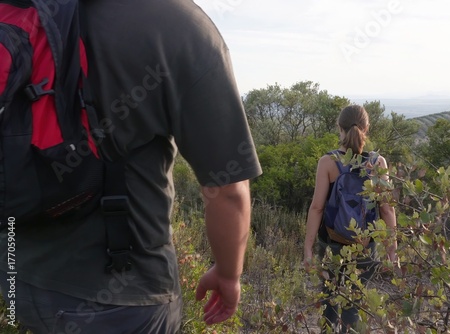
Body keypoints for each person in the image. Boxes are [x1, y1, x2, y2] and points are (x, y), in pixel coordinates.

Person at [0, 0, 262, 333]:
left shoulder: (21, 9)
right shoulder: (175, 21)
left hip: (15, 277)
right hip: (120, 301)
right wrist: (228, 273)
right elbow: (228, 190)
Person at [303, 105, 397, 333]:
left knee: (329, 301)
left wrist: (307, 248)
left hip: (331, 245)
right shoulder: (378, 162)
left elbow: (317, 208)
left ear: (340, 128)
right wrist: (393, 251)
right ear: (367, 128)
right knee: (353, 306)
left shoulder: (328, 162)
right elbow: (387, 210)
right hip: (365, 247)